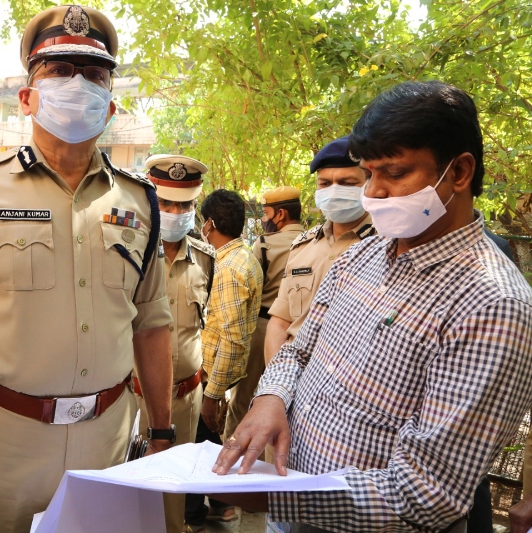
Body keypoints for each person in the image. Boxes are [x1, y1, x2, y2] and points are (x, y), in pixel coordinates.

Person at [214, 81, 532, 532]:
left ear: (459, 173)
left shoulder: (492, 305)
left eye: (394, 173)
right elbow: (300, 348)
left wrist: (279, 496)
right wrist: (270, 397)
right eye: (369, 174)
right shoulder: (365, 253)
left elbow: (427, 494)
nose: (374, 194)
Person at [0, 6, 174, 533]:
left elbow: (152, 324)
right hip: (1, 443)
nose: (78, 84)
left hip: (108, 442)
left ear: (112, 105)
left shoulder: (139, 200)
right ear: (27, 97)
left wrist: (162, 431)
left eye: (94, 74)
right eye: (59, 71)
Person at [133, 154, 215, 533]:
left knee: (173, 493)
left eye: (184, 204)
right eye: (165, 203)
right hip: (130, 398)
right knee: (126, 488)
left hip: (185, 398)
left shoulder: (206, 261)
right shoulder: (128, 254)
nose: (174, 212)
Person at [184, 189, 263, 532]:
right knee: (207, 440)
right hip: (221, 372)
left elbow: (230, 336)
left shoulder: (229, 267)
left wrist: (212, 395)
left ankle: (203, 511)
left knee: (198, 441)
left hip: (215, 377)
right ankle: (221, 505)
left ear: (210, 224)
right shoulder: (242, 256)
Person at [264, 136, 374, 364]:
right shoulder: (302, 246)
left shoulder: (388, 243)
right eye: (325, 184)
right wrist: (274, 386)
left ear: (369, 184)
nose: (334, 192)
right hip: (291, 375)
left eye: (347, 183)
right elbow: (280, 322)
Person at [225, 186, 304, 445]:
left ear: (280, 215)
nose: (264, 220)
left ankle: (234, 446)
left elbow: (250, 287)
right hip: (303, 332)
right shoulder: (315, 241)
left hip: (263, 327)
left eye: (266, 213)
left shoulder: (265, 244)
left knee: (244, 397)